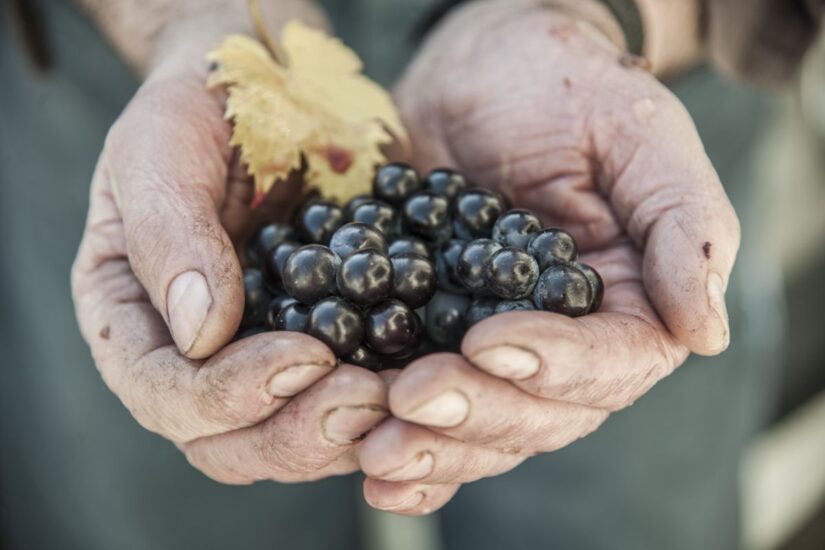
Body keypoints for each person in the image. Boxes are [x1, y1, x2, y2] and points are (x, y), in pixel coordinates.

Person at [0, 0, 817, 548]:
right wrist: (181, 17)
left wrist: (606, 11)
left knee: (622, 519)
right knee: (171, 515)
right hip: (140, 68)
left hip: (613, 65)